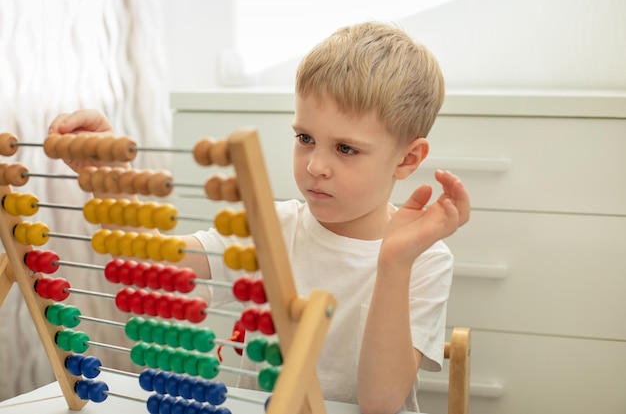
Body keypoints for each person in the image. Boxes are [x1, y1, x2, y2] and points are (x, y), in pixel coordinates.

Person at [48, 21, 469, 414]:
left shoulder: (424, 260)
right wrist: (110, 180)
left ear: (407, 159)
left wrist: (393, 262)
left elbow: (380, 403)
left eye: (345, 149)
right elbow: (162, 267)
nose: (315, 165)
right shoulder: (273, 229)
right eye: (305, 138)